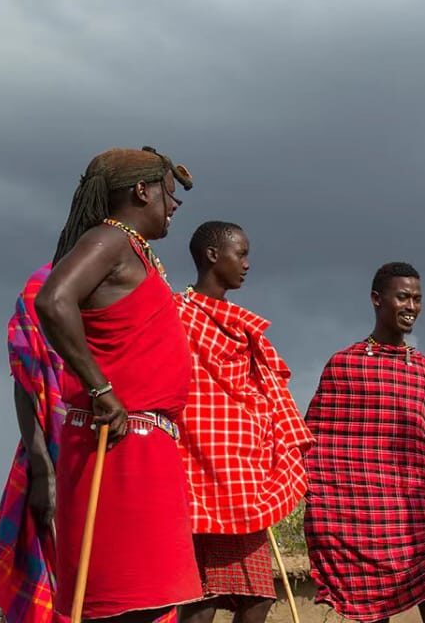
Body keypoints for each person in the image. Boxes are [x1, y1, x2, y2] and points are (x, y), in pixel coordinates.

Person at [35, 146, 200, 622]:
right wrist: (101, 388)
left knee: (150, 601)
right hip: (116, 443)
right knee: (122, 603)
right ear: (140, 191)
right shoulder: (108, 240)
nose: (174, 206)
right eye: (169, 194)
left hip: (145, 444)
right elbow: (53, 300)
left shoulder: (133, 250)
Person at [176, 222, 313, 623]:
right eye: (241, 253)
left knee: (258, 598)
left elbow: (260, 393)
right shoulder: (176, 314)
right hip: (196, 475)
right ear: (212, 255)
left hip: (241, 475)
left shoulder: (244, 328)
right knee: (201, 602)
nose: (247, 264)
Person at [303, 262, 425, 623]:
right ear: (376, 299)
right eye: (402, 297)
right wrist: (323, 507)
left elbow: (415, 442)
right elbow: (318, 439)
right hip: (358, 514)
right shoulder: (344, 365)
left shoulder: (419, 367)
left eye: (417, 298)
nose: (412, 306)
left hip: (411, 508)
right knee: (371, 609)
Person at [0, 263, 68, 623]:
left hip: (125, 455)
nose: (173, 204)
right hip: (56, 452)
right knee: (56, 584)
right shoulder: (47, 286)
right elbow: (26, 379)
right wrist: (42, 470)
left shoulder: (142, 280)